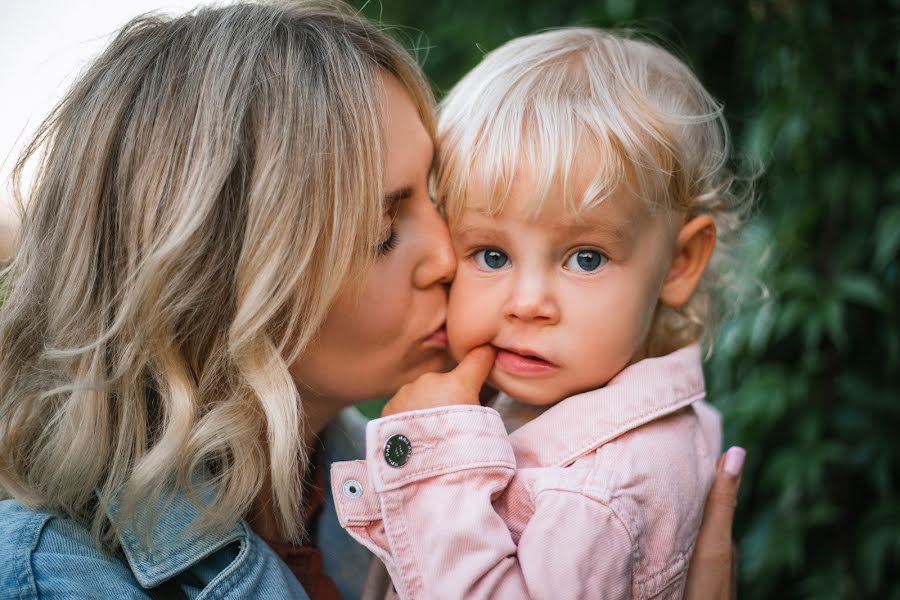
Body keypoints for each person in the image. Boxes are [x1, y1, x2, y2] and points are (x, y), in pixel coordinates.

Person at [0, 3, 743, 598]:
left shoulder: (388, 461)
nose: (450, 258)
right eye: (385, 232)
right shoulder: (55, 579)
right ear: (219, 284)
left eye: (436, 200)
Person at [331, 27, 750, 599]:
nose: (528, 303)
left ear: (679, 263)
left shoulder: (598, 489)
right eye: (492, 254)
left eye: (585, 258)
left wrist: (434, 465)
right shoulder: (537, 407)